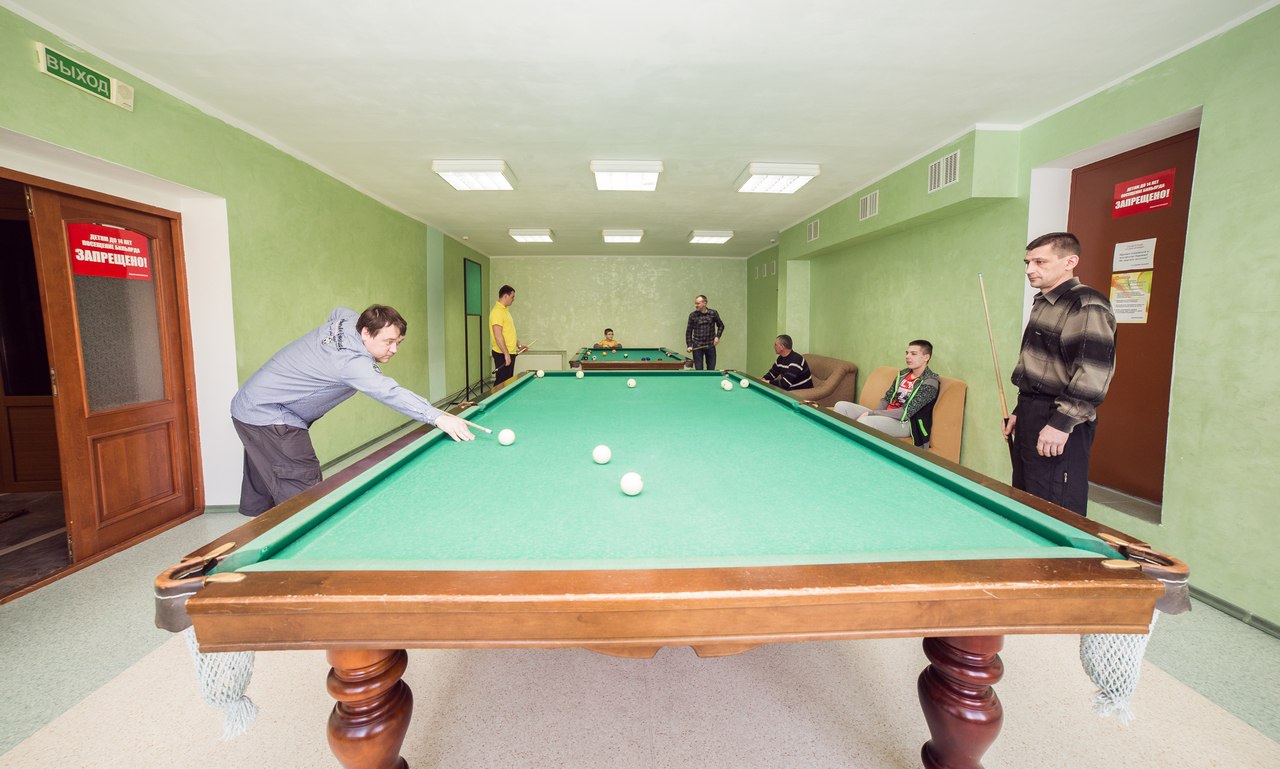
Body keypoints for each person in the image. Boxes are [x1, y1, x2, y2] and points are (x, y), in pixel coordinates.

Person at [230, 305, 474, 517]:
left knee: (265, 477)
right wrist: (437, 416)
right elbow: (389, 391)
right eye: (388, 342)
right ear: (366, 332)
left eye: (398, 342)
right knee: (304, 489)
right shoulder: (351, 364)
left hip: (249, 404)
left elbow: (337, 311)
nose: (394, 349)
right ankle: (307, 551)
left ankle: (254, 532)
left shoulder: (349, 322)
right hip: (270, 414)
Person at [1002, 232, 1116, 516]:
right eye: (1028, 262)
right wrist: (1020, 410)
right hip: (1031, 411)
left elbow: (1092, 373)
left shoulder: (1086, 304)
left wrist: (1061, 424)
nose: (1030, 269)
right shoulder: (1044, 302)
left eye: (1040, 262)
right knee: (1027, 500)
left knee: (1055, 508)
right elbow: (1043, 367)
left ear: (1070, 262)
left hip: (1060, 418)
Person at [834, 340, 939, 447]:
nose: (908, 356)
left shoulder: (930, 382)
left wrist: (873, 414)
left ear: (926, 357)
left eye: (913, 354)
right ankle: (838, 445)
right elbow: (887, 398)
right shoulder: (903, 374)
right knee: (841, 406)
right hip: (887, 414)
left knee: (865, 421)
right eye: (907, 353)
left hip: (906, 424)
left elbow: (905, 413)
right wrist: (876, 413)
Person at [489, 284, 527, 386]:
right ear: (505, 296)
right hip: (502, 353)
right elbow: (498, 335)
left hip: (509, 352)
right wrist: (506, 354)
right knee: (501, 383)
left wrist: (519, 345)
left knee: (508, 383)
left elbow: (509, 333)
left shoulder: (505, 311)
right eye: (512, 297)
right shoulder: (497, 312)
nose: (513, 299)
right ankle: (494, 397)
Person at [685, 294, 725, 370]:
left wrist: (717, 337)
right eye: (695, 303)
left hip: (710, 345)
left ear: (705, 303)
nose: (696, 305)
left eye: (698, 303)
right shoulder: (692, 315)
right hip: (697, 346)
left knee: (711, 369)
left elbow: (721, 326)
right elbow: (688, 332)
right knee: (699, 370)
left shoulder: (713, 313)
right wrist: (689, 345)